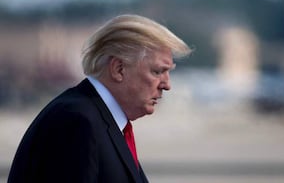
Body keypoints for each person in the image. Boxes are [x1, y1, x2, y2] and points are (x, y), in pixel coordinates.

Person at [8, 14, 192, 183]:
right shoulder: (78, 121)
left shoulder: (100, 121)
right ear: (118, 69)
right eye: (157, 71)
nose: (167, 85)